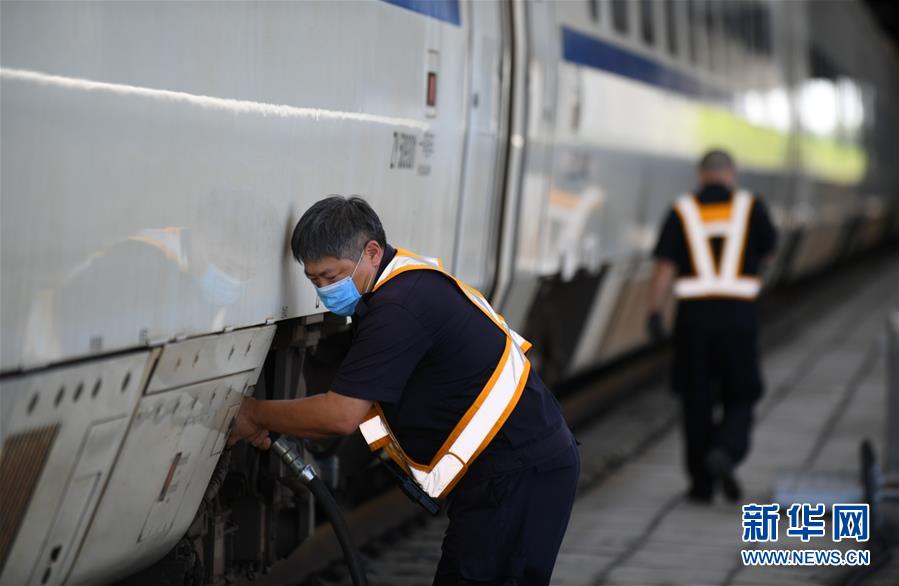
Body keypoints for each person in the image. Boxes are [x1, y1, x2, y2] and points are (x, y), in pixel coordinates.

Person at [229, 196, 580, 585]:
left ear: (371, 252)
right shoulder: (405, 284)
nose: (324, 291)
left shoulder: (398, 307)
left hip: (517, 475)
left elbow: (341, 415)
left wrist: (253, 414)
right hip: (516, 470)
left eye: (331, 276)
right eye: (315, 281)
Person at [647, 150, 777, 503]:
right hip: (739, 319)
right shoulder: (752, 208)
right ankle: (726, 449)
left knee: (696, 398)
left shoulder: (682, 210)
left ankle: (701, 485)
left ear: (700, 174)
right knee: (742, 393)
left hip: (694, 321)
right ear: (731, 174)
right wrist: (755, 280)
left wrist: (655, 312)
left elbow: (663, 268)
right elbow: (769, 254)